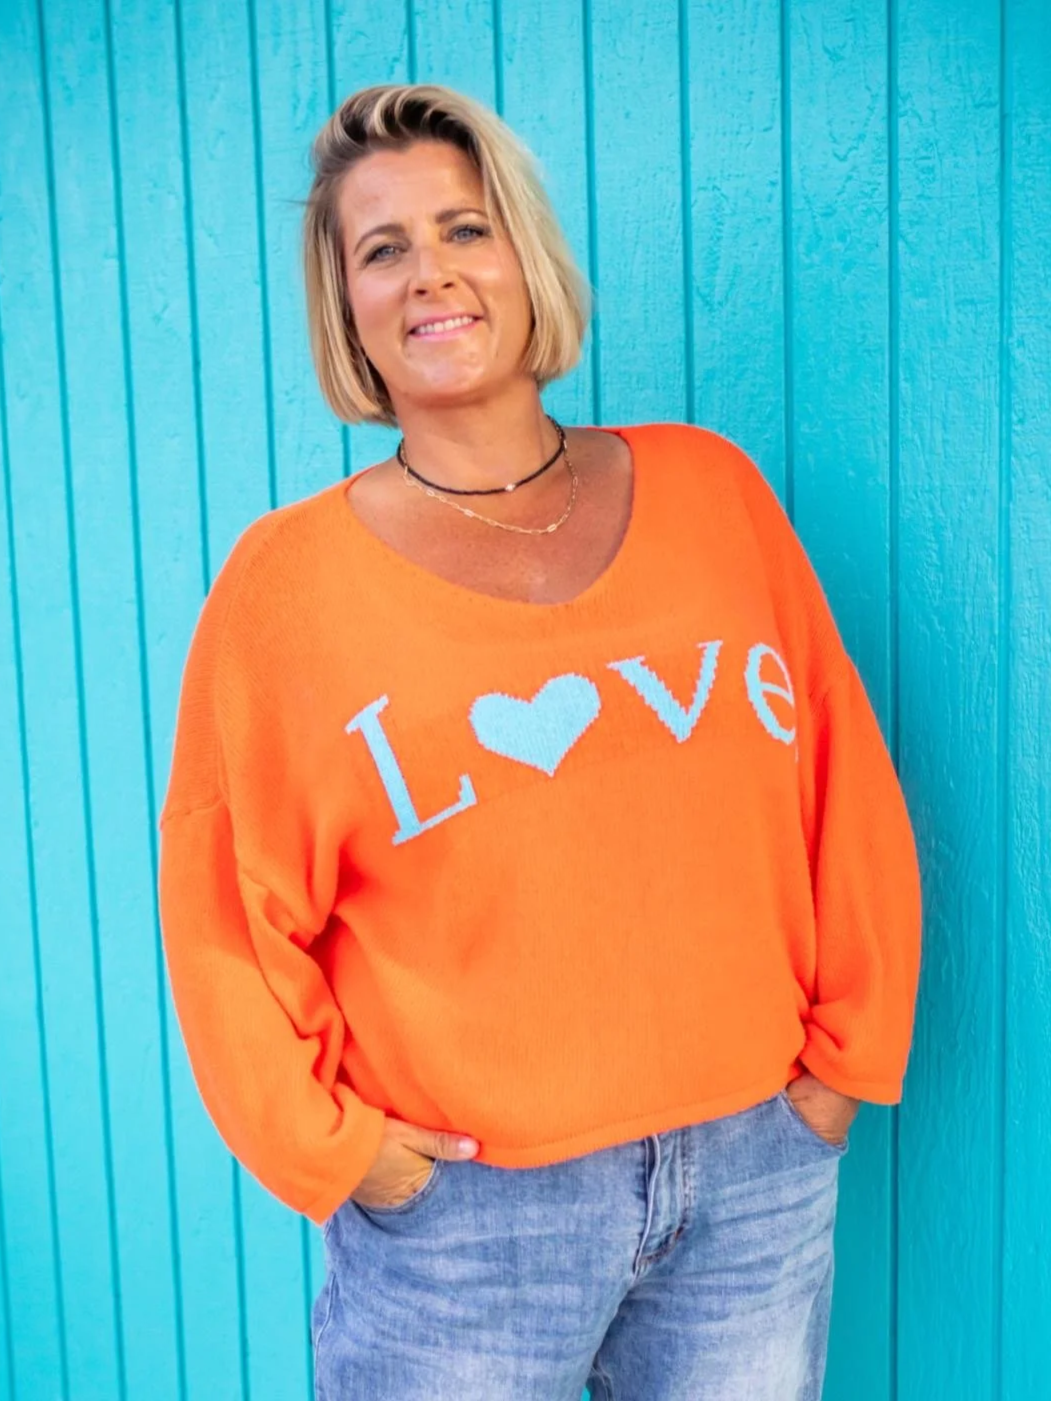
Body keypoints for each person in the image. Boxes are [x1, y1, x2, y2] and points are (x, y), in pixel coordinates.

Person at [157, 82, 923, 1400]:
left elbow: (838, 780)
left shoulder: (712, 491)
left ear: (526, 256)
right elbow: (226, 904)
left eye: (466, 228)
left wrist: (845, 1064)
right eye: (382, 248)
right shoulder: (284, 587)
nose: (431, 273)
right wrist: (336, 1151)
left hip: (754, 1176)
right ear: (346, 306)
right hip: (467, 1225)